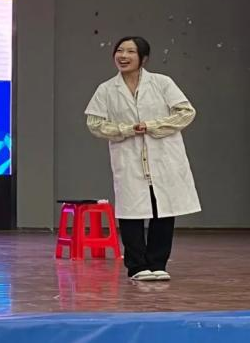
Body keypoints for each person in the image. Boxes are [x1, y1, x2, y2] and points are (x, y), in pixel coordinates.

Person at [85, 36, 201, 281]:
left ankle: (158, 263)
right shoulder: (106, 89)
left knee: (164, 209)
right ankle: (137, 266)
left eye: (130, 52)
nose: (123, 56)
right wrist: (126, 129)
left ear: (143, 58)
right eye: (119, 51)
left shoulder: (162, 83)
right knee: (131, 211)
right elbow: (95, 124)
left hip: (163, 156)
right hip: (129, 157)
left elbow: (186, 112)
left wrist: (153, 125)